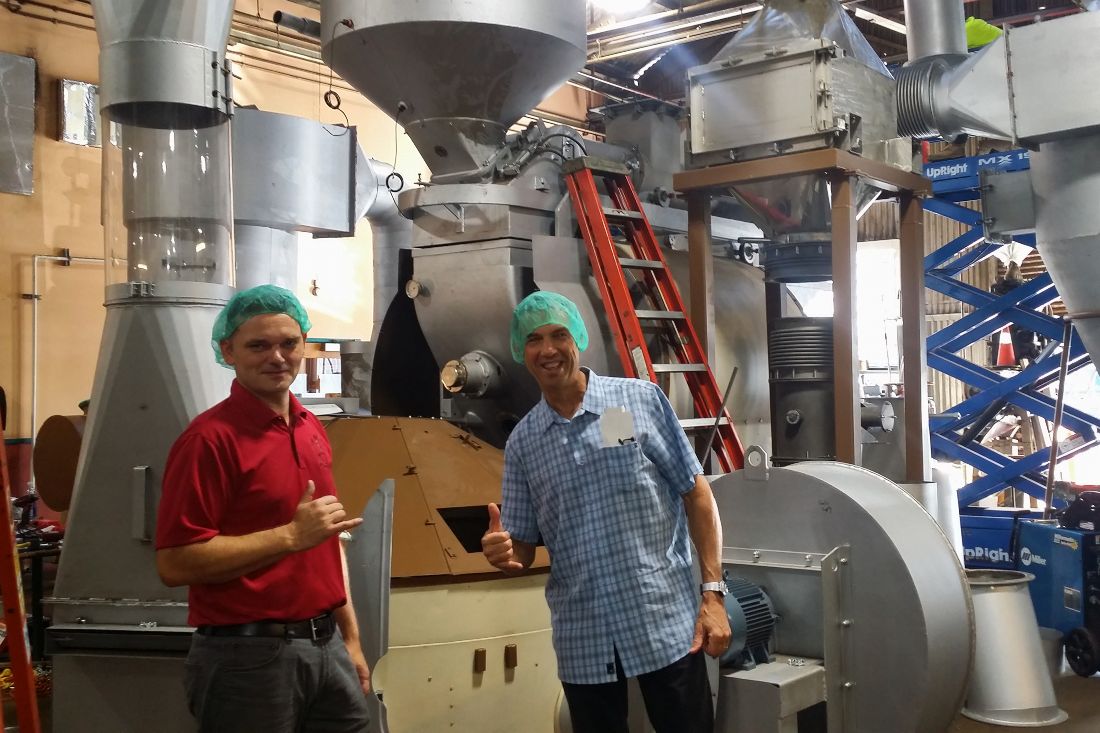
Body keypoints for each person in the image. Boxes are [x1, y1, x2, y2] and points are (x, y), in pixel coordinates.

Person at [481, 291, 731, 733]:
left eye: (559, 335)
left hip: (662, 622)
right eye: (535, 340)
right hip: (584, 635)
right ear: (523, 351)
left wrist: (712, 595)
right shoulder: (524, 441)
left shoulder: (634, 403)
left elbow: (697, 495)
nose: (549, 349)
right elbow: (521, 547)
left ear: (578, 338)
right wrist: (506, 552)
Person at [155, 284, 371, 733]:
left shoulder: (311, 426)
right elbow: (175, 562)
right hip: (246, 660)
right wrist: (289, 537)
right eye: (259, 345)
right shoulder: (209, 441)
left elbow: (327, 540)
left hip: (326, 646)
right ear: (228, 350)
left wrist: (349, 636)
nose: (277, 357)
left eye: (289, 343)